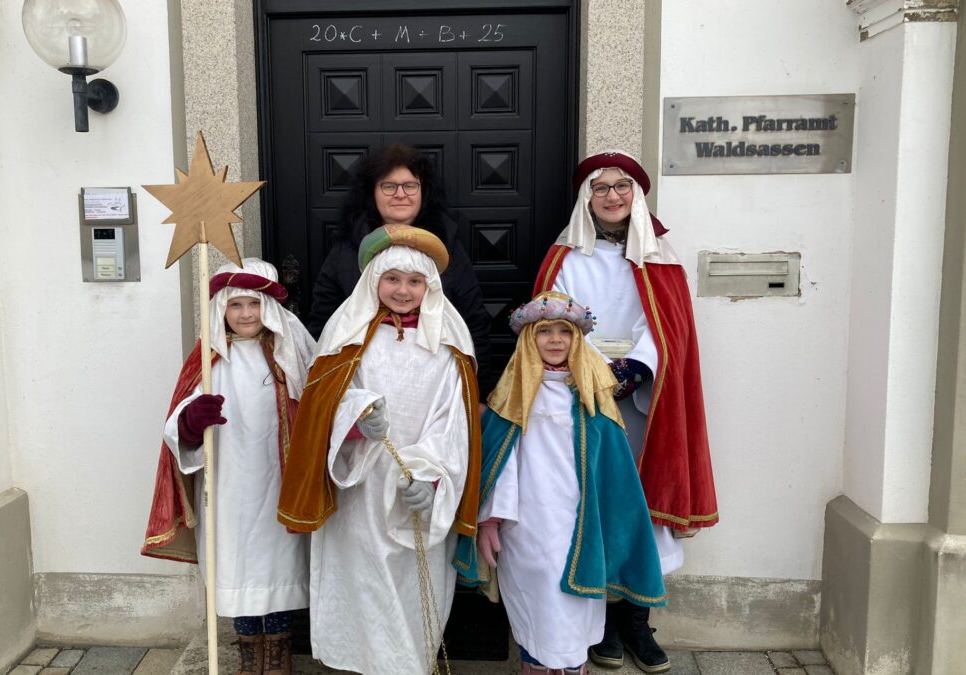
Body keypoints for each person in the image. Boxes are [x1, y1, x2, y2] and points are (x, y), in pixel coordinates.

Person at [533, 150, 718, 673]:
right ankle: (602, 622)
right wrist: (591, 372)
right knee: (594, 499)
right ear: (586, 198)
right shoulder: (564, 258)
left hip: (643, 402)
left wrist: (634, 369)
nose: (612, 196)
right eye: (601, 187)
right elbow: (553, 325)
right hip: (582, 395)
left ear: (637, 195)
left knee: (641, 500)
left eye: (622, 187)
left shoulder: (661, 257)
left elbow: (670, 331)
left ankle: (638, 621)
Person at [277, 225, 482, 675]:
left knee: (415, 587)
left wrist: (432, 477)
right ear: (373, 281)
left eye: (414, 281)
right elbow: (322, 403)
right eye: (392, 279)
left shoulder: (449, 343)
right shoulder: (345, 334)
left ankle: (410, 665)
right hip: (359, 486)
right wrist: (354, 418)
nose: (403, 291)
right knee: (362, 584)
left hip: (418, 490)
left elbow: (454, 421)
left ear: (430, 285)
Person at [455, 291, 666, 675]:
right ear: (527, 340)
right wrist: (489, 520)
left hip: (579, 528)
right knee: (536, 603)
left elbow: (616, 481)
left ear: (578, 340)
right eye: (545, 331)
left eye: (565, 332)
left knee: (573, 608)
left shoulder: (595, 405)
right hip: (526, 527)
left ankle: (572, 667)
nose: (555, 340)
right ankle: (536, 667)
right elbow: (499, 466)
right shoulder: (511, 400)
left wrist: (616, 529)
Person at [141, 259, 316, 675]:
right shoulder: (208, 361)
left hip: (277, 482)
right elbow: (177, 424)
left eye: (254, 305)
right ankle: (247, 655)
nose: (246, 315)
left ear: (269, 308)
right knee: (235, 566)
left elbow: (314, 407)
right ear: (222, 309)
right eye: (235, 305)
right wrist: (190, 421)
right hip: (227, 486)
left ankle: (277, 655)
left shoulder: (289, 356)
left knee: (277, 568)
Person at [305, 143, 492, 387]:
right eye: (388, 186)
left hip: (433, 386)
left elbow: (473, 318)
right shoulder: (347, 248)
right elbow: (323, 320)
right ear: (372, 192)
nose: (400, 194)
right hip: (363, 386)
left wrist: (479, 390)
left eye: (410, 185)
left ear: (423, 190)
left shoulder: (447, 244)